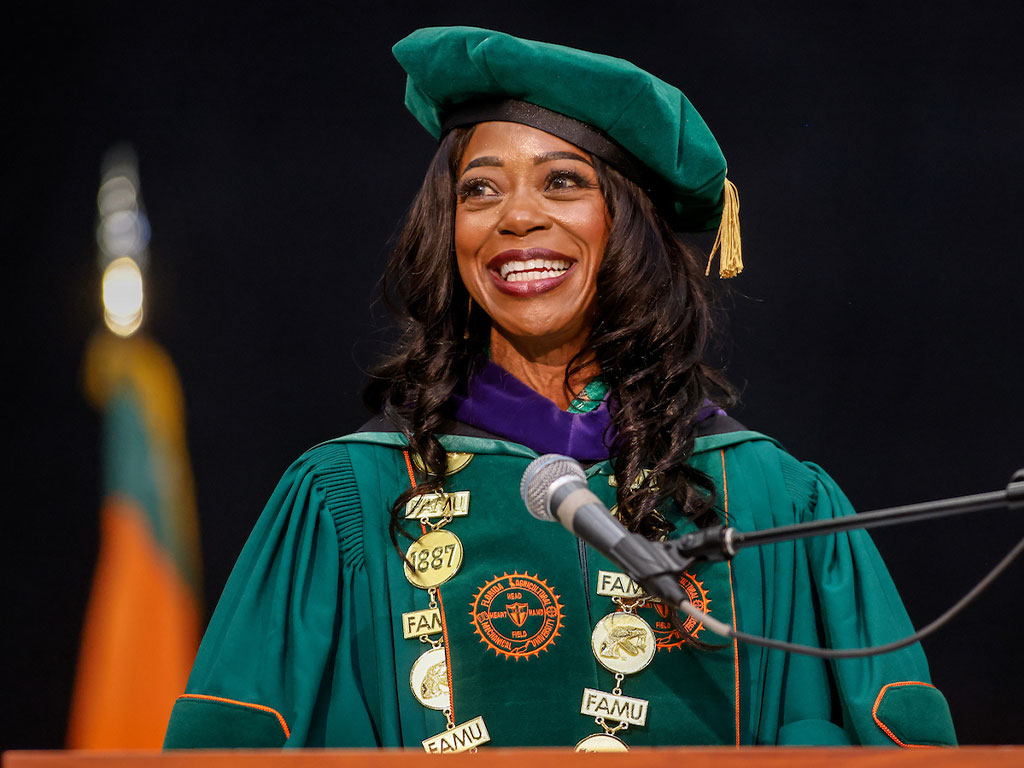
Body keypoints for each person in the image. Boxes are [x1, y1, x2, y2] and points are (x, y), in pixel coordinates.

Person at [163, 26, 957, 751]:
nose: (515, 218)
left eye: (563, 182)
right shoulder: (348, 497)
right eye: (479, 190)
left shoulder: (769, 499)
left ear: (628, 226)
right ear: (449, 231)